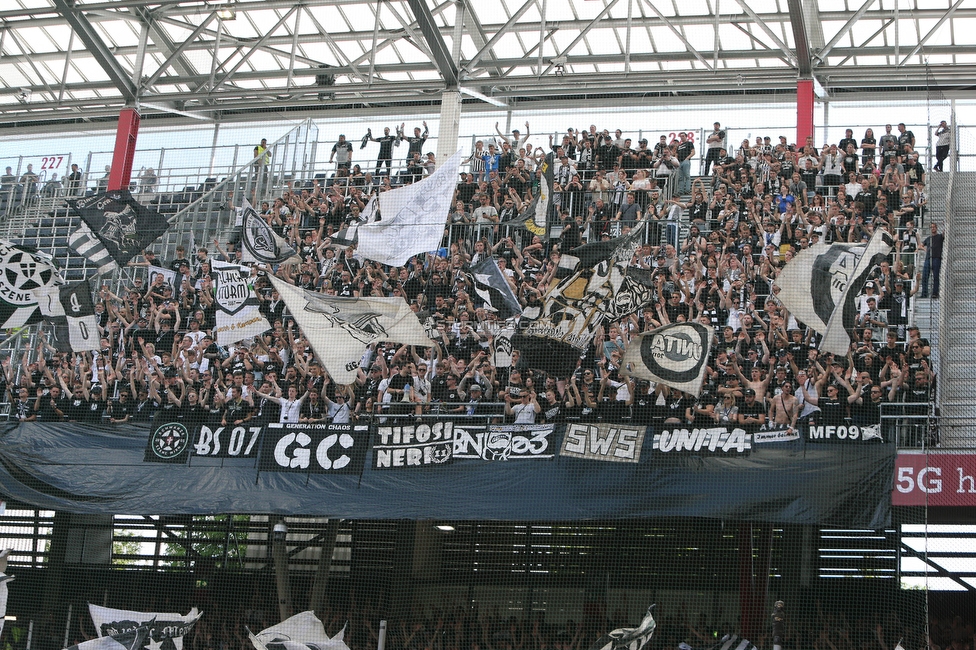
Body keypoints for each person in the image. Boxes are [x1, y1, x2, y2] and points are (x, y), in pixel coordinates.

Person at [920, 222, 944, 299]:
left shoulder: (940, 237)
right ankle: (924, 293)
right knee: (925, 276)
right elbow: (921, 245)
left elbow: (944, 234)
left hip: (936, 258)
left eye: (934, 227)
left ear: (936, 228)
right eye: (931, 227)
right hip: (928, 258)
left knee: (936, 276)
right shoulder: (928, 238)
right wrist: (924, 249)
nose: (932, 228)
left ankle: (935, 293)